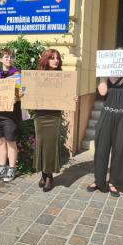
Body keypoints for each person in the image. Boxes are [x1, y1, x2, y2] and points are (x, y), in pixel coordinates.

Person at [87, 73, 123, 197]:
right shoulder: (105, 75)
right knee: (101, 148)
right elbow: (103, 92)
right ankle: (99, 180)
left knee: (120, 149)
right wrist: (103, 76)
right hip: (107, 114)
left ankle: (114, 182)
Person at [32, 49, 76, 192]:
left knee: (50, 146)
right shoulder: (37, 76)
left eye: (57, 58)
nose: (56, 60)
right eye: (52, 58)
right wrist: (24, 93)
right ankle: (43, 173)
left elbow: (67, 95)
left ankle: (49, 176)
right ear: (46, 60)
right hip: (40, 115)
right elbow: (31, 93)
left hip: (54, 116)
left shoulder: (63, 77)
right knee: (41, 144)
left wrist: (72, 98)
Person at [0, 48, 22, 182]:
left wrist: (18, 97)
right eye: (6, 57)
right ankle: (2, 167)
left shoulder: (17, 74)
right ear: (0, 59)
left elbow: (22, 91)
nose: (8, 59)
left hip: (10, 115)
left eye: (10, 57)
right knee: (0, 141)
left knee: (11, 141)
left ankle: (12, 168)